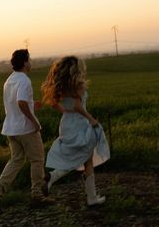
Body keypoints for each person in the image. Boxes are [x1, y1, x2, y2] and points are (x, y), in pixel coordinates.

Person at [0, 49, 53, 212]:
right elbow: (21, 103)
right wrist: (34, 121)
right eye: (29, 60)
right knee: (37, 159)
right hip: (25, 128)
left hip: (11, 128)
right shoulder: (24, 80)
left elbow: (20, 102)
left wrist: (33, 104)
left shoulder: (9, 80)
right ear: (24, 62)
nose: (30, 63)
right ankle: (37, 196)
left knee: (16, 160)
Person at [41, 55, 110, 206]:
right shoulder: (78, 85)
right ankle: (53, 177)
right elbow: (78, 106)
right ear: (77, 69)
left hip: (66, 123)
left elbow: (54, 104)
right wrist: (90, 118)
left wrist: (66, 112)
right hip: (80, 124)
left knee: (86, 158)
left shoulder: (62, 86)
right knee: (83, 156)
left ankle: (91, 197)